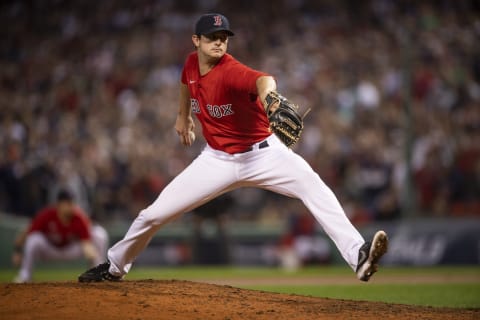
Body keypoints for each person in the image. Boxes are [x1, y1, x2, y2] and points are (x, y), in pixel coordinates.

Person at [79, 13, 388, 283]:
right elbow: (186, 83)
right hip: (217, 160)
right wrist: (182, 116)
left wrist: (269, 99)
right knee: (152, 215)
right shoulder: (190, 64)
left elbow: (263, 80)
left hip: (264, 154)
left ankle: (358, 257)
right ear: (196, 40)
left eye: (223, 37)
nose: (219, 43)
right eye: (212, 37)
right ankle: (115, 267)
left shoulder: (231, 71)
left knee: (313, 186)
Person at [12, 189, 108, 283]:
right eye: (68, 203)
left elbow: (86, 244)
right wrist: (17, 250)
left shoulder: (78, 217)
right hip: (49, 250)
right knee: (34, 238)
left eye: (72, 203)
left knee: (99, 234)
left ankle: (97, 274)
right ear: (59, 205)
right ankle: (25, 275)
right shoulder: (47, 215)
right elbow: (26, 232)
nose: (71, 206)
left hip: (70, 250)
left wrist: (93, 256)